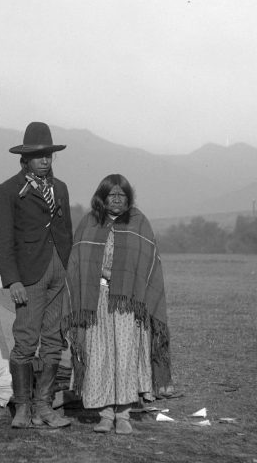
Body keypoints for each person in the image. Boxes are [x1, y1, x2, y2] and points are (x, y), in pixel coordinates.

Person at [64, 174, 172, 435]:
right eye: (111, 195)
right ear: (101, 197)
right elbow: (78, 262)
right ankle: (105, 414)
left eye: (121, 195)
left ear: (128, 198)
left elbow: (148, 264)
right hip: (96, 302)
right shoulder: (89, 222)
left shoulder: (139, 223)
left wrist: (121, 277)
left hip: (128, 304)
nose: (116, 200)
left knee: (124, 356)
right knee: (99, 354)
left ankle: (123, 415)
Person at [0, 121, 73, 429]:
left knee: (54, 339)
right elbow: (1, 239)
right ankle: (23, 407)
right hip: (29, 274)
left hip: (58, 271)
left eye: (48, 155)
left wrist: (69, 269)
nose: (44, 160)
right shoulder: (9, 190)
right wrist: (12, 279)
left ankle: (44, 406)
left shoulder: (60, 188)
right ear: (24, 159)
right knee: (26, 340)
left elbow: (65, 232)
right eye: (38, 155)